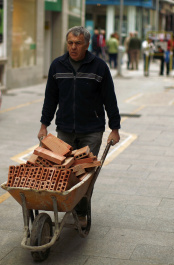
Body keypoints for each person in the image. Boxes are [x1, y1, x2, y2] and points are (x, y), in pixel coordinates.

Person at [37, 26, 121, 228]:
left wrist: (115, 128)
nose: (73, 47)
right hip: (64, 129)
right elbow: (51, 98)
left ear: (87, 44)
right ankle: (68, 205)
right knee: (64, 172)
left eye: (77, 43)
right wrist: (43, 125)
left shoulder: (99, 67)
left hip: (92, 130)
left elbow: (110, 99)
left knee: (84, 176)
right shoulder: (57, 65)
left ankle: (82, 212)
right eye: (70, 43)